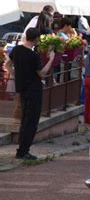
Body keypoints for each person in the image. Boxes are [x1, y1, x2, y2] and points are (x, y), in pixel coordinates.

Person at [7, 28, 55, 160]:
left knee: (24, 119)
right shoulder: (34, 55)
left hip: (21, 88)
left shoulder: (17, 50)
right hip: (33, 89)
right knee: (31, 121)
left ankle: (21, 150)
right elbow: (41, 73)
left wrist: (16, 75)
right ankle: (23, 150)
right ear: (35, 39)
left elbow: (7, 64)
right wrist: (51, 60)